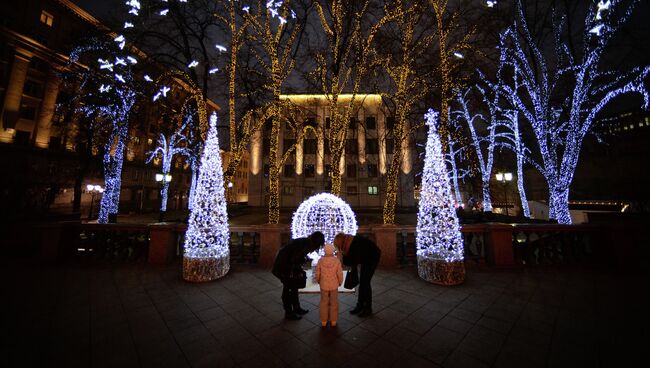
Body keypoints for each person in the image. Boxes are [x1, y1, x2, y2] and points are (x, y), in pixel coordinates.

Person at [272, 231, 325, 320]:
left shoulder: (305, 242)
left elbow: (296, 257)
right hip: (284, 268)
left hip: (287, 266)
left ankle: (297, 308)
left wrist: (304, 259)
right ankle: (289, 313)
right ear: (316, 242)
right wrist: (305, 260)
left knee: (293, 287)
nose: (317, 248)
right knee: (288, 289)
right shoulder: (305, 244)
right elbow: (295, 259)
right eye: (318, 245)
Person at [334, 233, 381, 317]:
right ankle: (360, 305)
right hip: (366, 258)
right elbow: (352, 260)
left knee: (365, 283)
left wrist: (341, 256)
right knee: (363, 283)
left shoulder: (353, 245)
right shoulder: (349, 241)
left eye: (338, 245)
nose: (339, 248)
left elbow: (350, 261)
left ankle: (368, 309)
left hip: (372, 258)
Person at [315, 244, 343, 327]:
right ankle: (333, 320)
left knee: (324, 302)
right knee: (334, 302)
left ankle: (324, 321)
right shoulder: (336, 261)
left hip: (324, 285)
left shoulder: (320, 261)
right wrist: (340, 282)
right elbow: (339, 273)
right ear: (332, 250)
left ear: (324, 251)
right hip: (334, 285)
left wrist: (318, 280)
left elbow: (317, 273)